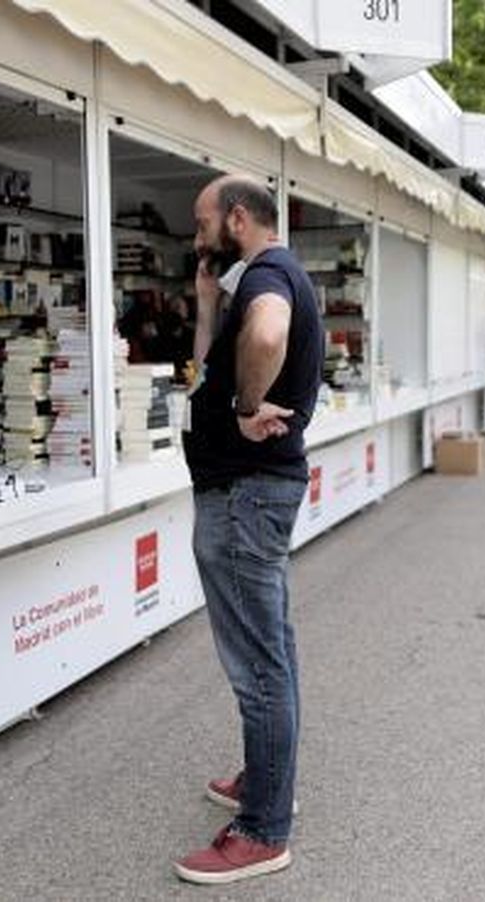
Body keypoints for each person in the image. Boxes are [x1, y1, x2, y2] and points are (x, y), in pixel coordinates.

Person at [174, 174, 322, 885]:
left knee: (259, 665)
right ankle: (271, 781)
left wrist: (244, 405)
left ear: (237, 218)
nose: (196, 233)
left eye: (204, 222)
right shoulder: (266, 275)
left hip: (243, 493)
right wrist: (208, 306)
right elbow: (212, 367)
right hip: (250, 492)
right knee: (274, 650)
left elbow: (265, 334)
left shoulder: (269, 274)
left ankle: (264, 829)